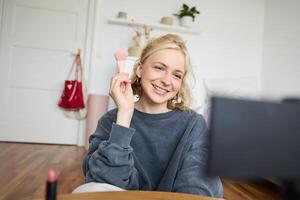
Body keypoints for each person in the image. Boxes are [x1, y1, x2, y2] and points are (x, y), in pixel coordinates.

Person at [82, 34, 223, 197]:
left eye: (176, 75)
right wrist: (125, 115)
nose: (166, 81)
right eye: (159, 68)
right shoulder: (111, 120)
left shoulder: (194, 124)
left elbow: (198, 186)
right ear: (140, 69)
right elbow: (104, 184)